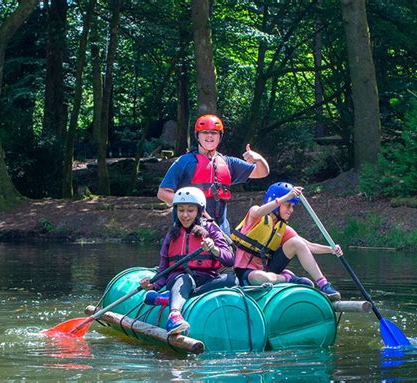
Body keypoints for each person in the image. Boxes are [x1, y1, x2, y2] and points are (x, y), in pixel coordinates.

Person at [139, 187, 236, 335]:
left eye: (190, 210)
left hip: (205, 280)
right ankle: (174, 315)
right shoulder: (172, 234)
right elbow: (163, 269)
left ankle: (172, 297)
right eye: (181, 210)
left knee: (232, 280)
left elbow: (229, 260)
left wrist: (213, 249)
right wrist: (153, 285)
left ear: (199, 211)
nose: (185, 215)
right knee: (185, 279)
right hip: (178, 279)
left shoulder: (211, 229)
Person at [157, 114, 270, 235]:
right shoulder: (184, 162)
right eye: (205, 132)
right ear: (197, 136)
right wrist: (189, 203)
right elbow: (162, 193)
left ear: (220, 136)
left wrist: (259, 159)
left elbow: (262, 172)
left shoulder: (229, 163)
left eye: (214, 132)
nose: (209, 136)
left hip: (220, 231)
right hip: (191, 230)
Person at [231, 182, 343, 300]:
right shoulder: (255, 214)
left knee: (297, 243)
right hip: (245, 272)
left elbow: (308, 246)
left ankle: (323, 285)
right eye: (288, 205)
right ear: (276, 203)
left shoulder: (282, 228)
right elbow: (259, 212)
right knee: (260, 277)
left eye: (292, 206)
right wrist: (286, 197)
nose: (291, 210)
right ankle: (288, 278)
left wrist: (331, 249)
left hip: (268, 269)